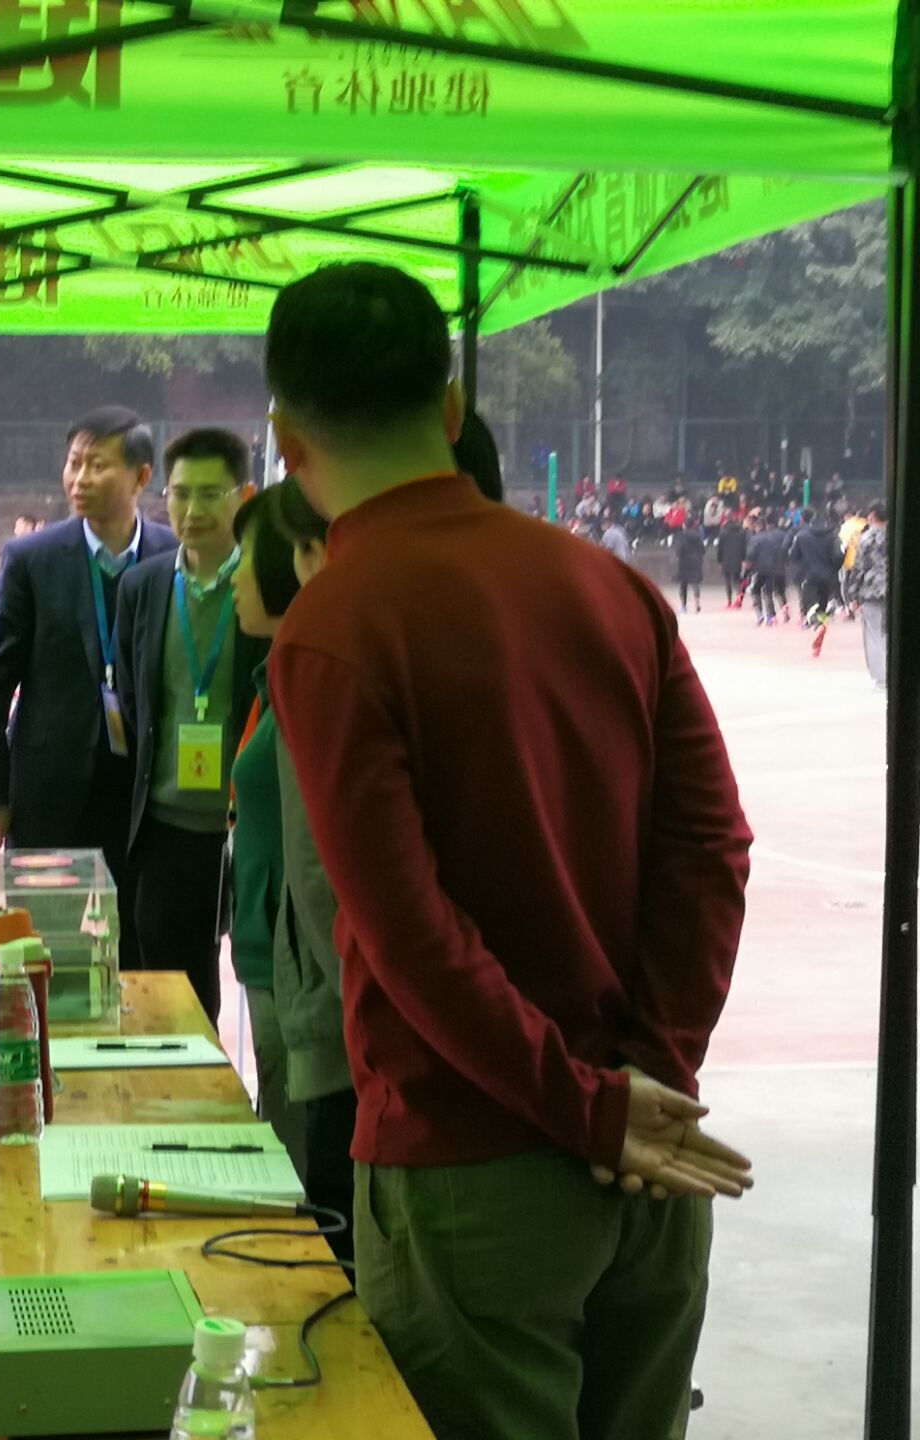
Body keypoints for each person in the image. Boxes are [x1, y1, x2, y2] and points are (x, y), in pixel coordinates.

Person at [263, 264, 754, 1440]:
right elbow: (711, 849)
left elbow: (409, 936)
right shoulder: (610, 585)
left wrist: (589, 1109)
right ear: (450, 409)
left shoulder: (332, 625)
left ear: (286, 442)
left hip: (472, 1170)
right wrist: (644, 1077)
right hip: (651, 1161)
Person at [224, 480, 360, 1262]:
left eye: (245, 558)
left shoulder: (312, 683)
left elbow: (320, 869)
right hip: (271, 958)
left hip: (306, 980)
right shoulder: (275, 673)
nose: (233, 577)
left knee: (312, 1195)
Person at [0, 407, 176, 896]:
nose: (79, 479)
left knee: (137, 932)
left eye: (97, 465)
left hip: (146, 792)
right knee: (47, 928)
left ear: (141, 476)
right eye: (74, 463)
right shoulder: (32, 558)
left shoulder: (171, 556)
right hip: (49, 792)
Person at [112, 429, 266, 1027]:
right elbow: (131, 696)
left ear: (244, 496)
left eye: (210, 494)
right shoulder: (143, 586)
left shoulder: (267, 582)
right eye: (181, 494)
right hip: (168, 824)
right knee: (174, 993)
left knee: (268, 986)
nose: (193, 510)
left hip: (248, 825)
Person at [847, 501, 890, 689]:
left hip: (871, 590)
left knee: (873, 633)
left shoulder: (867, 539)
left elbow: (858, 568)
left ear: (872, 516)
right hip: (892, 591)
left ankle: (881, 677)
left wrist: (853, 595)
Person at [790, 503, 843, 626]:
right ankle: (821, 622)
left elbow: (793, 556)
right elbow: (838, 555)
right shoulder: (831, 536)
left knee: (809, 604)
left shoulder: (801, 536)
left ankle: (814, 623)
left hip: (808, 575)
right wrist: (834, 569)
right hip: (827, 576)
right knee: (822, 603)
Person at [748, 514, 791, 626]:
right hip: (773, 569)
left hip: (758, 569)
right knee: (769, 592)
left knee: (755, 590)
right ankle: (772, 616)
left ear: (758, 526)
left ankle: (759, 614)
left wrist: (749, 565)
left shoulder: (755, 539)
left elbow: (751, 554)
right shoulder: (773, 538)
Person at [673, 513, 707, 614]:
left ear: (685, 525)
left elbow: (679, 550)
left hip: (685, 562)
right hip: (696, 561)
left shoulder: (681, 536)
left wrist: (679, 555)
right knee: (695, 583)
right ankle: (697, 604)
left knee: (683, 585)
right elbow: (703, 549)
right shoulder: (698, 536)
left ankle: (684, 606)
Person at [717, 511, 748, 608]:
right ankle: (739, 600)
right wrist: (743, 559)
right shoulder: (741, 532)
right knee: (737, 581)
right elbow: (743, 547)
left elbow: (720, 548)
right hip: (737, 559)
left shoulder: (723, 532)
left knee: (728, 581)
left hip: (726, 559)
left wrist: (719, 561)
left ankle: (729, 601)